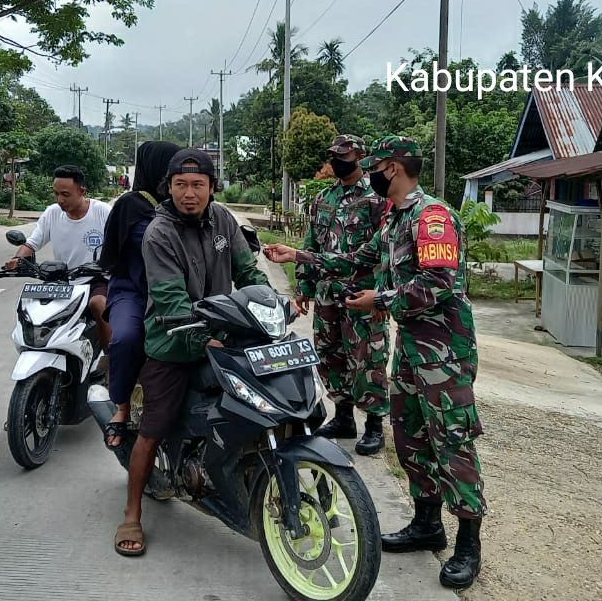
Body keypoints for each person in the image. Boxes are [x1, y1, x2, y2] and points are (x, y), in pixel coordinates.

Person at [264, 136, 486, 590]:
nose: (372, 175)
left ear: (396, 168)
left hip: (444, 351)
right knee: (410, 436)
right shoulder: (393, 220)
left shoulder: (433, 217)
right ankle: (427, 523)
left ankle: (468, 544)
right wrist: (300, 256)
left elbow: (438, 282)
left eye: (377, 167)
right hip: (411, 347)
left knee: (453, 441)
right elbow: (356, 259)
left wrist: (378, 298)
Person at [114, 149, 272, 557]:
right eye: (180, 185)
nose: (189, 193)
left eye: (198, 185)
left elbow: (248, 272)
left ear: (212, 187)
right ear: (167, 187)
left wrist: (269, 304)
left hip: (222, 331)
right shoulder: (159, 233)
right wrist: (202, 340)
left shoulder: (223, 220)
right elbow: (169, 301)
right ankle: (132, 512)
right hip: (174, 340)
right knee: (154, 427)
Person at [296, 134, 389, 455]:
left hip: (362, 295)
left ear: (360, 159)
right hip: (326, 294)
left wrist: (382, 295)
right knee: (330, 355)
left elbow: (387, 250)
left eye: (344, 157)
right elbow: (311, 243)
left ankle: (375, 425)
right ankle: (344, 416)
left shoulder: (377, 199)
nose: (337, 162)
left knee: (367, 358)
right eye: (335, 156)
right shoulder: (324, 197)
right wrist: (304, 286)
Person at [96, 141, 181, 449]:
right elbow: (127, 248)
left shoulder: (182, 202)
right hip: (134, 289)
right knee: (127, 338)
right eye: (171, 165)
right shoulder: (131, 204)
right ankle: (121, 407)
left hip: (176, 290)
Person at [7, 165, 112, 348]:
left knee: (98, 304)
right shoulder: (52, 213)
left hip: (96, 279)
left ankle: (111, 357)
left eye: (65, 194)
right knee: (33, 309)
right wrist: (17, 260)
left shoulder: (102, 212)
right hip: (61, 282)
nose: (60, 200)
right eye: (56, 194)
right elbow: (32, 243)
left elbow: (120, 244)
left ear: (81, 191)